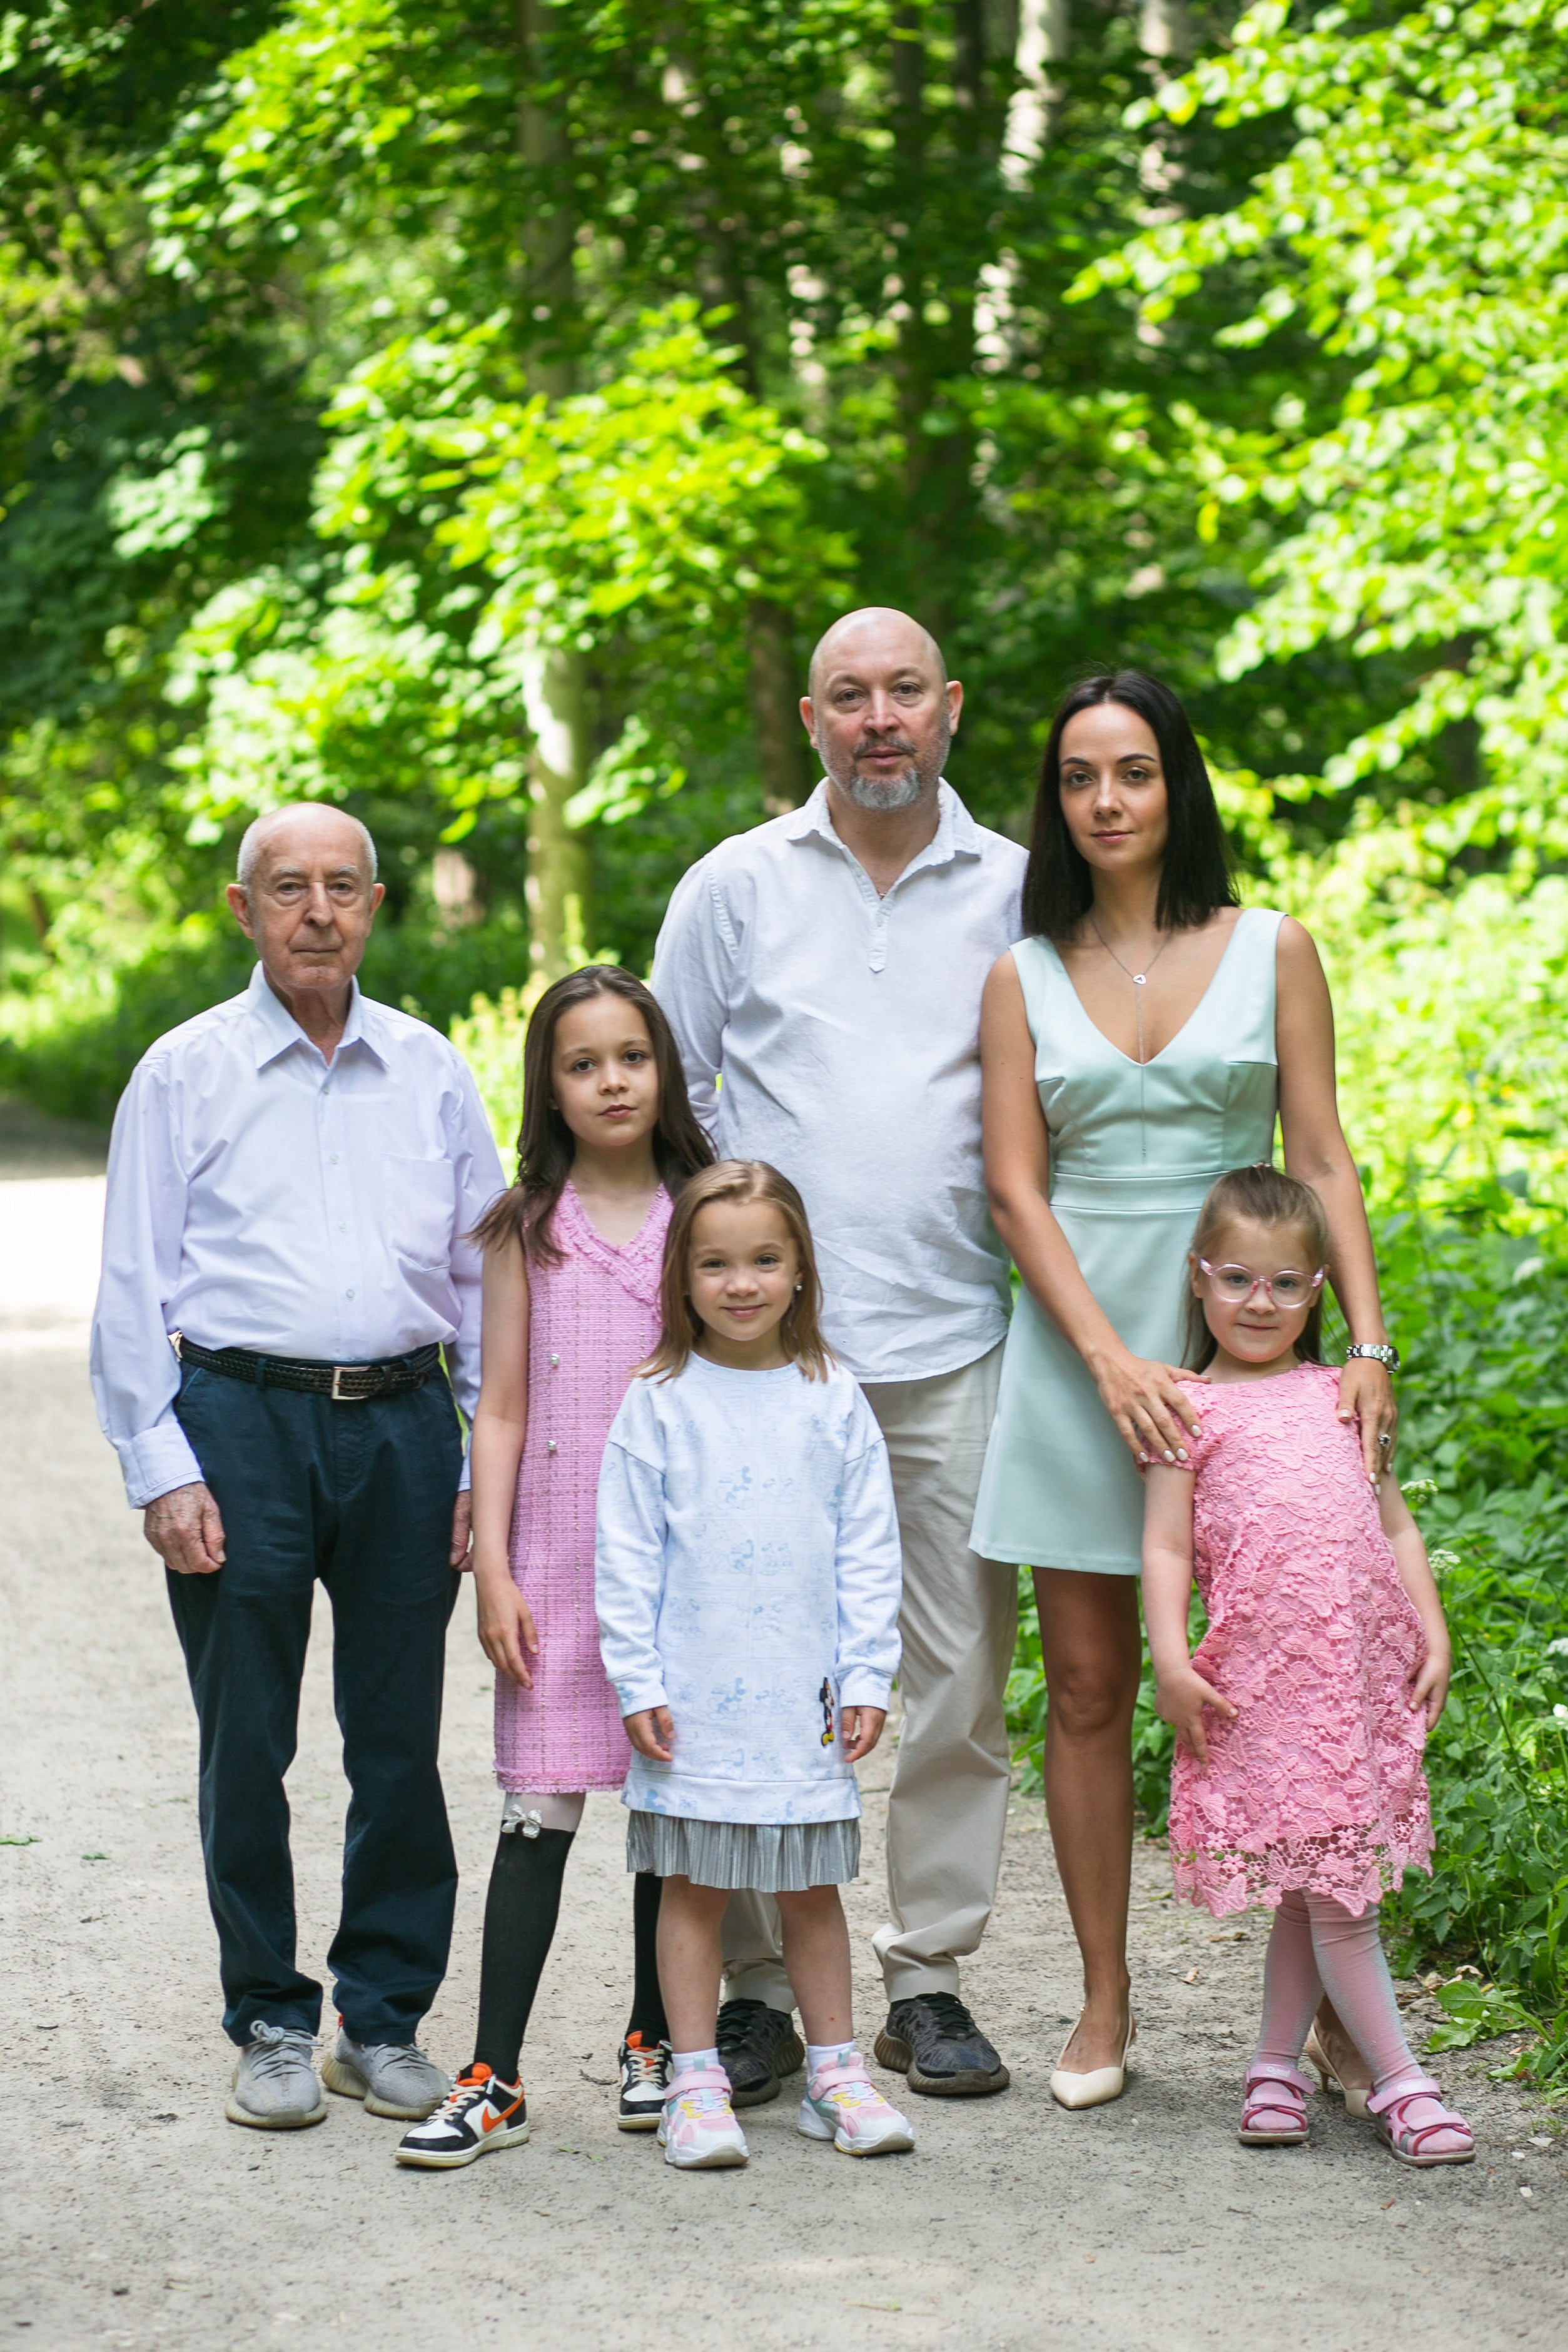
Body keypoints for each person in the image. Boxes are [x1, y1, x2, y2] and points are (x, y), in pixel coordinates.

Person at [973, 669, 1399, 2109]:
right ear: (1058, 798)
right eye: (1081, 777)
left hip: (1264, 1363)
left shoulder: (1274, 943)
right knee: (1090, 1684)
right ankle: (1106, 1999)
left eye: (1135, 772)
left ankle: (1341, 2011)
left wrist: (1370, 1348)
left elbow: (1324, 1156)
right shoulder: (1020, 971)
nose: (1106, 801)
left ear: (1178, 787)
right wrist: (1105, 1355)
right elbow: (1015, 1189)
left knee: (1292, 1681)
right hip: (1081, 1352)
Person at [651, 606, 1024, 2104]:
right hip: (770, 1364)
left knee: (955, 1674)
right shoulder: (735, 884)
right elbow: (667, 1084)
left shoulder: (1016, 884)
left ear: (950, 709)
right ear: (811, 719)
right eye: (849, 696)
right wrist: (740, 1264)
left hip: (953, 1337)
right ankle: (747, 1989)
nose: (880, 718)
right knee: (746, 1662)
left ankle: (928, 1972)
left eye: (905, 693)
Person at [90, 804, 505, 2132]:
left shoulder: (434, 1070)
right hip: (239, 1421)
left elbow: (485, 1277)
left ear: (377, 905)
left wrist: (475, 1465)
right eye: (288, 887)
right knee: (247, 1737)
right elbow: (130, 1284)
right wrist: (161, 1464)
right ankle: (269, 2013)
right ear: (243, 907)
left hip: (401, 1426)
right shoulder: (183, 1071)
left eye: (340, 886)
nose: (316, 909)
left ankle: (379, 2018)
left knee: (397, 1743)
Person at [395, 967, 712, 2169]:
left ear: (665, 1067)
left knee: (667, 1803)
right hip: (555, 1552)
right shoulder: (527, 1229)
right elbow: (505, 1406)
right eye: (582, 1064)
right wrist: (496, 1567)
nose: (611, 1081)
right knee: (539, 1805)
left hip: (681, 1568)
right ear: (551, 1086)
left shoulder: (708, 1212)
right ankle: (494, 2072)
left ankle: (653, 2038)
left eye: (631, 1056)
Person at [1141, 1163, 1474, 2165]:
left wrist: (1434, 1629)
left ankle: (1275, 2066)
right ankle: (1404, 2086)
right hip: (1265, 1687)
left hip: (1356, 1677)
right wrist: (1168, 1657)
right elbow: (1163, 1546)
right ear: (1199, 1279)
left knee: (1313, 1884)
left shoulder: (1342, 1394)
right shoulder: (1186, 1409)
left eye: (1287, 1284)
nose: (1261, 1302)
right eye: (1238, 1278)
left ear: (1318, 1290)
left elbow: (1398, 1526)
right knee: (1340, 1898)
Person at [594, 1160, 914, 2168]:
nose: (742, 1284)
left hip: (803, 1699)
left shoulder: (833, 1396)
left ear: (801, 1271)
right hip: (693, 1699)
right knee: (692, 1885)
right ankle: (694, 2082)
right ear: (682, 1278)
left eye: (765, 1261)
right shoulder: (658, 1401)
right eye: (717, 1264)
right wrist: (636, 1680)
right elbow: (627, 1551)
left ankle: (834, 2074)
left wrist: (867, 1674)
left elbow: (871, 1545)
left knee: (811, 1891)